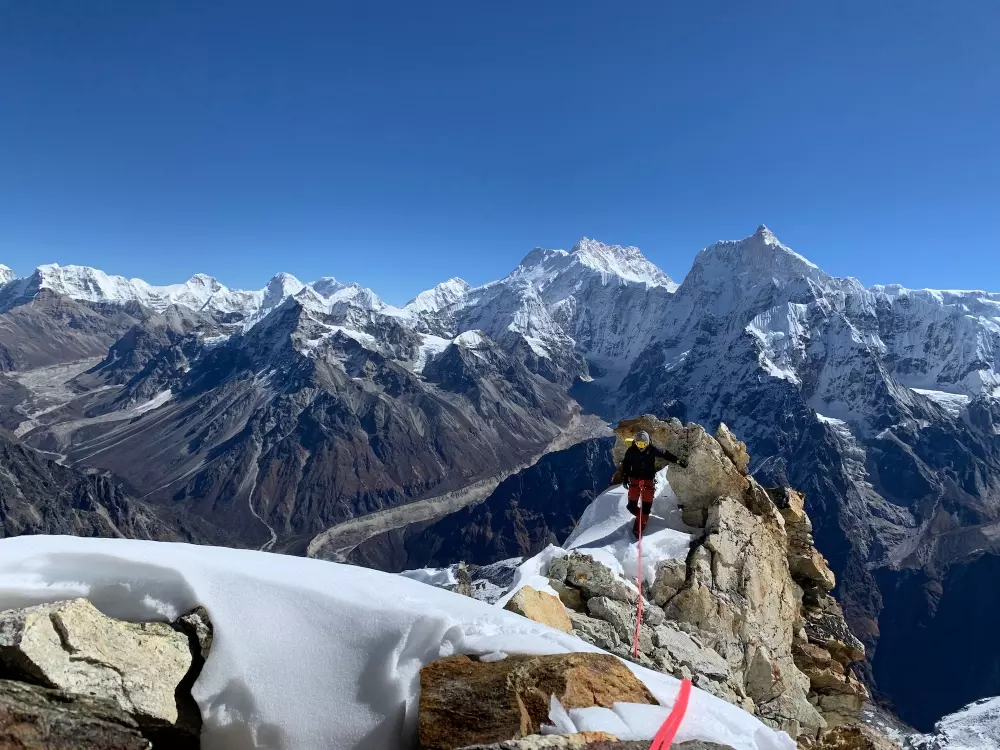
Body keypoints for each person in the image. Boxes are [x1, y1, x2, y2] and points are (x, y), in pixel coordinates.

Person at [620, 431, 686, 537]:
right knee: (631, 507)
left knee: (646, 506)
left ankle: (641, 523)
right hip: (635, 480)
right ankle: (642, 516)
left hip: (648, 481)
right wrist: (625, 477)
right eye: (639, 444)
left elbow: (665, 454)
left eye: (643, 444)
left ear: (648, 443)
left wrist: (678, 461)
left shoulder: (652, 449)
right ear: (635, 443)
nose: (641, 447)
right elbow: (626, 464)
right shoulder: (631, 451)